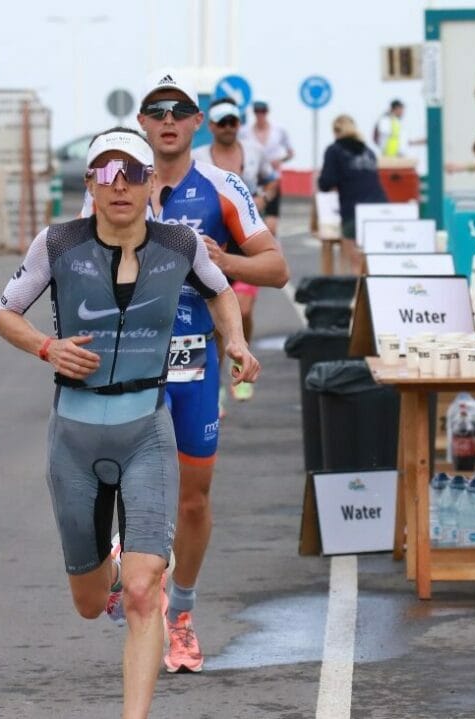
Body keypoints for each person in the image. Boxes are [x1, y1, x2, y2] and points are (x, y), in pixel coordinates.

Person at [0, 127, 260, 719]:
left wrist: (236, 341)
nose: (120, 186)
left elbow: (220, 292)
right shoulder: (58, 243)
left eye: (133, 173)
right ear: (90, 184)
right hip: (75, 440)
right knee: (92, 603)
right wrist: (46, 347)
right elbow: (5, 313)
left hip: (147, 433)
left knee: (143, 594)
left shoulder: (179, 244)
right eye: (107, 174)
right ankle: (110, 566)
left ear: (150, 184)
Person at [132, 70, 288, 674]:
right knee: (126, 488)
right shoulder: (117, 183)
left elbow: (276, 268)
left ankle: (181, 613)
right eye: (157, 110)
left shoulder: (222, 187)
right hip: (131, 362)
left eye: (180, 110)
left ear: (197, 123)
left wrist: (224, 260)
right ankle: (135, 582)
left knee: (193, 502)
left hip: (193, 360)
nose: (168, 119)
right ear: (142, 123)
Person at [195, 98, 278, 401]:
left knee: (242, 310)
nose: (229, 127)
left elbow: (273, 182)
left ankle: (241, 360)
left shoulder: (254, 152)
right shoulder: (197, 157)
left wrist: (266, 204)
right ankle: (216, 386)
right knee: (218, 322)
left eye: (233, 121)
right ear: (211, 126)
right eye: (223, 122)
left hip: (246, 244)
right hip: (213, 243)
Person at [318, 114, 387, 274]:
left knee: (357, 265)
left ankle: (359, 290)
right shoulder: (368, 151)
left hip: (354, 212)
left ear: (335, 131)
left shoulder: (334, 150)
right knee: (376, 263)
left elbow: (326, 183)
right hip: (380, 209)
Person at [240, 100, 293, 236]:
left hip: (272, 179)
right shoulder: (244, 131)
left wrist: (279, 160)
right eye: (257, 112)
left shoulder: (279, 131)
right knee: (250, 222)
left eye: (262, 112)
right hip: (252, 179)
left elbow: (290, 152)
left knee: (271, 225)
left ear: (267, 112)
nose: (260, 115)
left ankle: (271, 244)